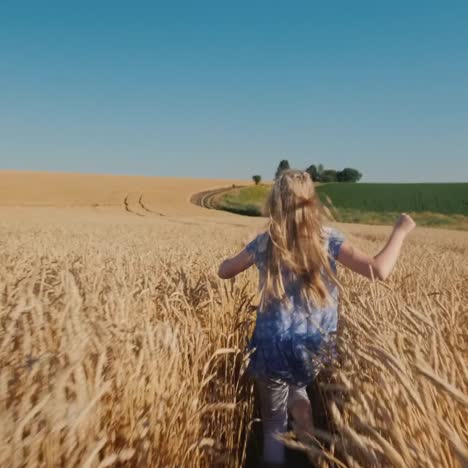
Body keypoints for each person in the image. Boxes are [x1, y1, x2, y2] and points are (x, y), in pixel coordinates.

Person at [218, 170, 416, 468]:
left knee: (273, 424)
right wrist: (400, 231)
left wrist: (241, 251)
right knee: (300, 398)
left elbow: (225, 271)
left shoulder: (265, 242)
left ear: (275, 202)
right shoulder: (328, 239)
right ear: (310, 202)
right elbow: (379, 270)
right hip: (312, 349)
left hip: (272, 349)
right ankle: (313, 459)